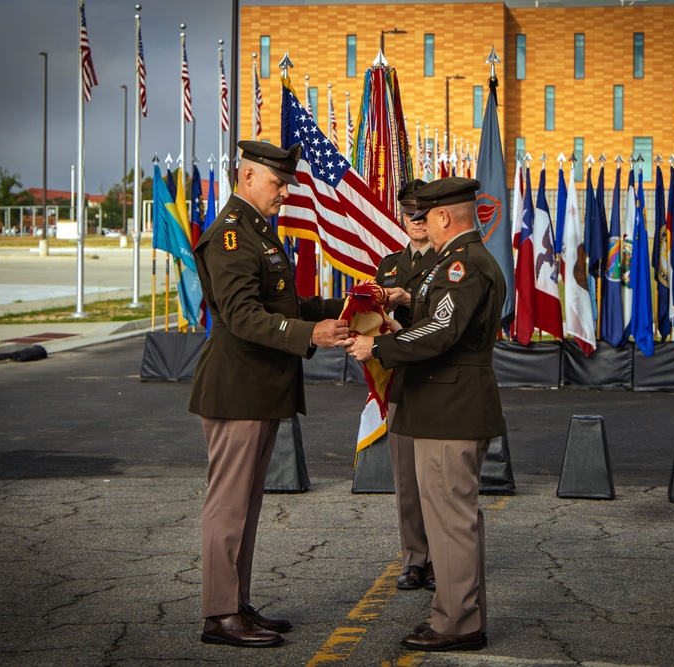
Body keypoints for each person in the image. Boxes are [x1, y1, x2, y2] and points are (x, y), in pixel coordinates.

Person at [189, 140, 351, 648]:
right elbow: (241, 317)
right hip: (238, 389)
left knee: (247, 506)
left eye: (286, 184)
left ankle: (235, 603)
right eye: (278, 183)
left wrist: (344, 308)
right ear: (247, 177)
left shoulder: (257, 233)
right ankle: (219, 614)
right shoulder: (232, 237)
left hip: (257, 391)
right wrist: (310, 336)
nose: (284, 193)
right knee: (229, 506)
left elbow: (287, 303)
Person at [350, 176, 506, 652]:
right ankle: (460, 617)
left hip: (449, 406)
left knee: (451, 520)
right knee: (452, 518)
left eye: (428, 216)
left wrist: (377, 343)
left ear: (443, 217)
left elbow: (441, 332)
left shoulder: (462, 266)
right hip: (446, 404)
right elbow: (438, 325)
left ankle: (456, 624)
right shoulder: (460, 262)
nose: (423, 224)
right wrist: (398, 327)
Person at [374, 178, 437, 591]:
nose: (415, 220)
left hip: (437, 379)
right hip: (401, 381)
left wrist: (411, 303)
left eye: (422, 211)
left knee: (439, 479)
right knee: (407, 480)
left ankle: (441, 560)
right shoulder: (389, 265)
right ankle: (415, 559)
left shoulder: (451, 261)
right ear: (400, 215)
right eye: (408, 211)